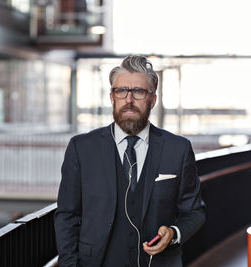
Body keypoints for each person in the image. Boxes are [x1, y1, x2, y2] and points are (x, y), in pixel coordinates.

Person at [54, 55, 205, 267]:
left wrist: (173, 232)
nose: (129, 100)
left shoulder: (178, 149)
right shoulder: (81, 148)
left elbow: (194, 212)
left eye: (139, 92)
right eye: (121, 90)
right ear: (112, 96)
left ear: (152, 99)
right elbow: (67, 216)